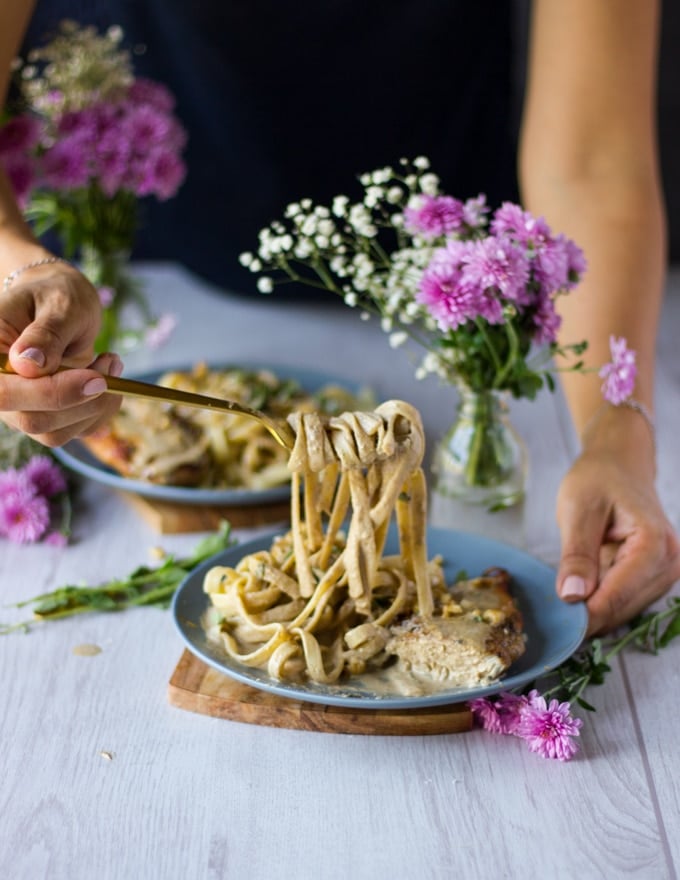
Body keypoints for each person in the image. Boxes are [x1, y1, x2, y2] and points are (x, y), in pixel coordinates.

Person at [0, 0, 678, 635]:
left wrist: (618, 433)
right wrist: (17, 267)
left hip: (453, 267)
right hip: (153, 265)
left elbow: (592, 163)